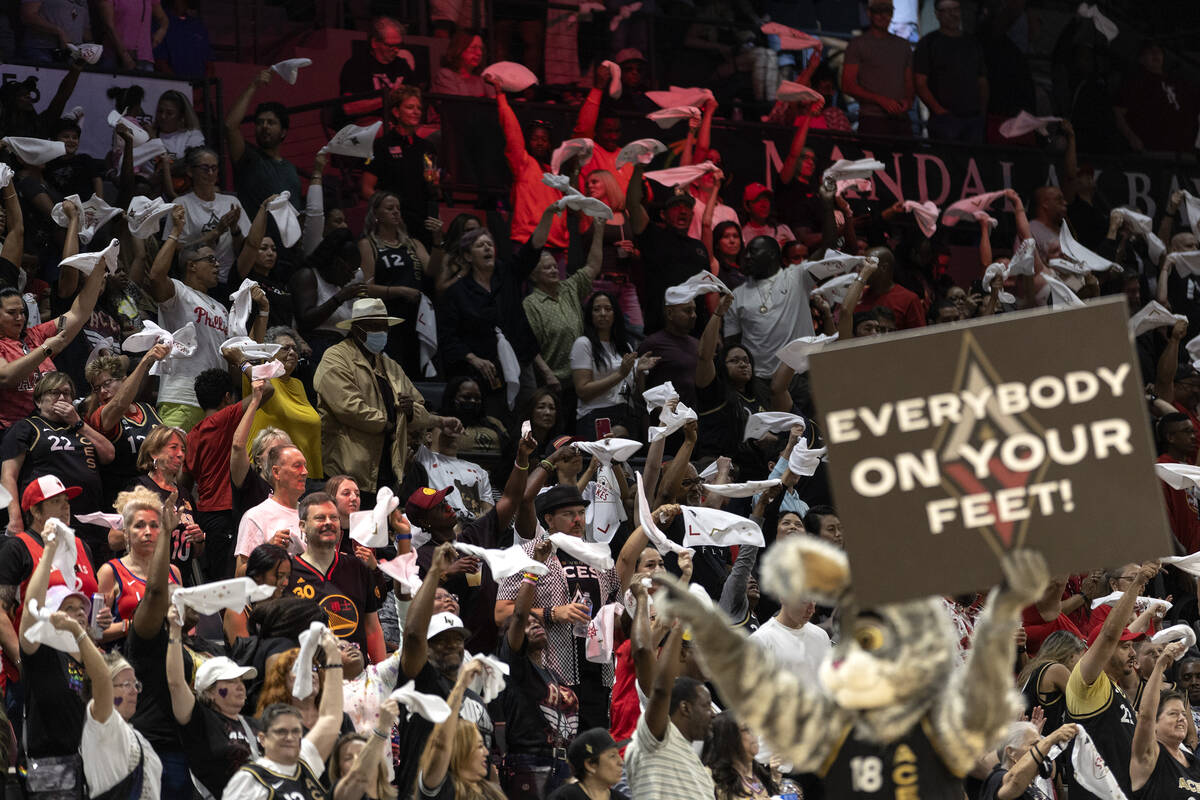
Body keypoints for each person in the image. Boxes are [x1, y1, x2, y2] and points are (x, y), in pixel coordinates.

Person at [495, 484, 621, 731]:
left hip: (598, 674)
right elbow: (501, 613)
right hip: (546, 674)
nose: (577, 520)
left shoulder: (599, 557)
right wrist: (553, 613)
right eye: (568, 514)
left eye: (581, 513)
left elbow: (615, 606)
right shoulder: (525, 554)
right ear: (549, 519)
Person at [314, 298, 462, 499]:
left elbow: (416, 403)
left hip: (388, 467)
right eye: (375, 327)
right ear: (357, 329)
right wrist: (391, 425)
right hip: (348, 467)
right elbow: (349, 408)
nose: (381, 333)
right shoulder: (336, 357)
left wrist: (413, 412)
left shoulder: (388, 364)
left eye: (384, 327)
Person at [148, 206, 268, 430]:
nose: (217, 264)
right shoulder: (179, 291)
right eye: (210, 260)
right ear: (191, 265)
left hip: (216, 404)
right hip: (180, 397)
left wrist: (262, 311)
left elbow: (240, 351)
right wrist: (176, 231)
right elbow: (155, 276)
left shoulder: (223, 308)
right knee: (173, 462)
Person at [395, 543, 495, 799]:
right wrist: (436, 571)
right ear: (425, 648)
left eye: (457, 639)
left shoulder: (474, 698)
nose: (451, 645)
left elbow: (488, 762)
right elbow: (415, 633)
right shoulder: (421, 681)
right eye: (440, 640)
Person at [436, 209, 551, 415]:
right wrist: (473, 359)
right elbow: (448, 337)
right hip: (483, 369)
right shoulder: (457, 292)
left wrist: (548, 214)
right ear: (468, 256)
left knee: (527, 419)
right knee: (495, 419)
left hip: (520, 361)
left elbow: (533, 248)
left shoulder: (508, 274)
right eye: (480, 245)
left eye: (489, 244)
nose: (487, 248)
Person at [0, 210, 105, 432]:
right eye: (12, 313)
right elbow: (6, 377)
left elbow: (79, 312)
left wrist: (100, 267)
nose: (20, 318)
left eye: (22, 312)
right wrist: (47, 349)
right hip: (14, 432)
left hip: (52, 428)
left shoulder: (34, 335)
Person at [1064, 560, 1159, 797]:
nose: (1133, 653)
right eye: (1125, 647)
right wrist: (1136, 585)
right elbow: (1109, 635)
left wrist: (1147, 613)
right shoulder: (1086, 683)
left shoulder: (1113, 689)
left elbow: (1120, 636)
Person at [16, 523, 94, 799]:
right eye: (68, 608)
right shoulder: (42, 654)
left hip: (91, 764)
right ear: (52, 616)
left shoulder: (90, 657)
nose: (79, 613)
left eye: (81, 607)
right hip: (52, 769)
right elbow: (30, 608)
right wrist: (49, 549)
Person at [497, 538, 580, 798]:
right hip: (529, 764)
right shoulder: (516, 667)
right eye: (527, 624)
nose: (535, 625)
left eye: (538, 622)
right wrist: (534, 568)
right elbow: (519, 614)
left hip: (563, 764)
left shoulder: (555, 676)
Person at [1, 373, 115, 559]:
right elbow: (8, 475)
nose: (62, 398)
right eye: (54, 392)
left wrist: (78, 423)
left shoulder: (80, 427)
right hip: (45, 520)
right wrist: (14, 519)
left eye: (67, 393)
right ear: (38, 401)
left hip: (89, 523)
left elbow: (109, 454)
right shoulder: (26, 427)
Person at [223, 630, 345, 799]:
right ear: (262, 738)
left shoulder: (303, 764)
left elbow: (331, 718)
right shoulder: (250, 779)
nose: (290, 737)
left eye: (296, 732)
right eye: (281, 732)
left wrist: (333, 656)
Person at [186, 371, 273, 581]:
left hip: (206, 515)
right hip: (227, 513)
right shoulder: (223, 419)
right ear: (227, 397)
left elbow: (186, 480)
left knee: (217, 581)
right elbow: (267, 389)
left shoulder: (191, 435)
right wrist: (243, 363)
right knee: (233, 582)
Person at [167, 603, 260, 797]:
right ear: (209, 691)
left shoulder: (253, 724)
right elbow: (176, 682)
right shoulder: (199, 720)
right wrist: (175, 629)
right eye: (231, 681)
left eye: (240, 680)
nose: (240, 686)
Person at [286, 491, 386, 663]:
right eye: (320, 518)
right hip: (312, 678)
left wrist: (381, 674)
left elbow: (372, 629)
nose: (328, 523)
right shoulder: (288, 572)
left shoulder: (358, 567)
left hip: (356, 676)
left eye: (334, 518)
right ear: (302, 526)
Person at [623, 621, 715, 799]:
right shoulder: (660, 729)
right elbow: (644, 653)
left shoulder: (701, 773)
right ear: (682, 652)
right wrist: (676, 625)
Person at [723, 236, 818, 383]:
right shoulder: (736, 295)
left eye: (753, 251)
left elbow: (827, 246)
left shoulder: (797, 277)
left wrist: (831, 212)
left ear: (772, 254)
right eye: (746, 252)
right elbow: (732, 344)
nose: (747, 257)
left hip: (800, 376)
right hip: (759, 380)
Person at [359, 190, 434, 375]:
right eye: (390, 208)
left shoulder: (413, 243)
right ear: (376, 214)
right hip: (388, 317)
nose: (396, 212)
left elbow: (432, 271)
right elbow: (366, 287)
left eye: (398, 209)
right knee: (395, 369)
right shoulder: (368, 244)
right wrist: (399, 290)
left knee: (417, 368)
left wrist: (439, 241)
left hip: (417, 316)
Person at [489, 76, 568, 250]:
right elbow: (512, 131)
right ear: (528, 141)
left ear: (549, 144)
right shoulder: (523, 164)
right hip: (527, 243)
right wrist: (501, 96)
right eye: (535, 139)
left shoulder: (554, 174)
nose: (540, 143)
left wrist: (566, 241)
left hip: (557, 247)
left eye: (544, 140)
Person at [96, 486, 182, 644]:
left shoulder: (173, 572)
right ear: (126, 533)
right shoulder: (110, 572)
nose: (148, 531)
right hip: (126, 658)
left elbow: (186, 627)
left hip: (171, 655)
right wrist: (136, 625)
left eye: (155, 525)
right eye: (139, 525)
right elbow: (96, 633)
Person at [524, 223, 604, 394]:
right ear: (533, 275)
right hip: (553, 383)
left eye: (554, 266)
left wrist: (599, 229)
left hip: (582, 378)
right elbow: (529, 347)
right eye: (547, 268)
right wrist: (548, 375)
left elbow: (593, 267)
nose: (554, 270)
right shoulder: (531, 304)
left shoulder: (569, 288)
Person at [86, 345, 168, 503]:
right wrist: (145, 362)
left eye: (107, 383)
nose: (102, 391)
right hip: (123, 502)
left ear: (124, 380)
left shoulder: (148, 409)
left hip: (157, 495)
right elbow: (120, 404)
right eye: (97, 388)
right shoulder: (100, 415)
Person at [572, 291, 657, 438]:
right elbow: (583, 391)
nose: (603, 313)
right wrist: (620, 374)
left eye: (608, 309)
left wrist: (640, 373)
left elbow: (636, 396)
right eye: (597, 309)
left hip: (626, 415)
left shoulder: (625, 347)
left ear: (615, 313)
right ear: (590, 315)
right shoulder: (583, 344)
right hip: (596, 415)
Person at [126, 425, 205, 583]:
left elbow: (196, 552)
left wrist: (199, 539)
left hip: (181, 580)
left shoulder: (185, 494)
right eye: (174, 448)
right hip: (147, 579)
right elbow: (114, 538)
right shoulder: (140, 488)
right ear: (154, 452)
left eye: (183, 449)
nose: (181, 454)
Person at [243, 327, 323, 479]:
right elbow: (252, 347)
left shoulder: (298, 385)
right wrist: (264, 309)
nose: (292, 352)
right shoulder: (261, 379)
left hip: (304, 476)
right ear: (269, 354)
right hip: (268, 475)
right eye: (286, 348)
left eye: (294, 349)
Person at [363, 87, 438, 247]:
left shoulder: (426, 147)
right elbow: (366, 188)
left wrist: (436, 181)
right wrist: (387, 211)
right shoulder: (381, 145)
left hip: (423, 221)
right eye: (410, 107)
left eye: (419, 108)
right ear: (396, 112)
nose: (416, 112)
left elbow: (433, 184)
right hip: (394, 224)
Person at [416, 659, 502, 800]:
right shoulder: (440, 786)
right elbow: (441, 744)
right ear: (460, 749)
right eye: (480, 746)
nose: (486, 751)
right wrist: (461, 685)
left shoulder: (489, 790)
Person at [224, 70, 302, 215]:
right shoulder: (248, 159)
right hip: (258, 237)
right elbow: (230, 126)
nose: (265, 126)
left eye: (271, 122)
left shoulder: (290, 168)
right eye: (260, 122)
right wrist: (253, 86)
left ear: (283, 132)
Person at [173, 146, 251, 286]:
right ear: (190, 171)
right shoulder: (181, 204)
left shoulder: (231, 202)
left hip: (232, 278)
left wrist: (234, 230)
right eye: (205, 168)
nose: (210, 173)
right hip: (199, 281)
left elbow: (245, 250)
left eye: (214, 168)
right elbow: (179, 251)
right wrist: (216, 232)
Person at [1130, 641, 1200, 796]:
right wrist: (1160, 664)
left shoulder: (1194, 763)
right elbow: (1146, 716)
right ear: (1154, 724)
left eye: (1183, 714)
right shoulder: (1148, 755)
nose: (1181, 718)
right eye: (1173, 713)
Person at [914, 0, 988, 144]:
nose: (953, 14)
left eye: (956, 9)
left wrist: (982, 113)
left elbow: (982, 81)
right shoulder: (929, 43)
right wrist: (939, 111)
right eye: (947, 11)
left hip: (973, 118)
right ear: (938, 14)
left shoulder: (972, 43)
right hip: (944, 120)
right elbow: (920, 83)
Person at [841, 0, 914, 137]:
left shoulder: (903, 46)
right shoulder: (858, 44)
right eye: (878, 11)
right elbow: (847, 85)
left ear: (892, 13)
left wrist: (908, 101)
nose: (883, 16)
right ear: (869, 13)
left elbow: (909, 82)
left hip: (900, 118)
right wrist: (881, 100)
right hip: (873, 119)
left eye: (887, 11)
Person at [1114, 40, 1199, 154]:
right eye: (1150, 52)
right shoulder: (1135, 82)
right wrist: (1131, 137)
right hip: (1153, 149)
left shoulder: (1178, 82)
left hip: (1184, 150)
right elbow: (1118, 112)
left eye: (1158, 52)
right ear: (1141, 59)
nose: (1155, 54)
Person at [235, 444, 308, 573]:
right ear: (276, 472)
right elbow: (239, 575)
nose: (305, 472)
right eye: (297, 466)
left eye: (305, 466)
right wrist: (267, 550)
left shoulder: (313, 513)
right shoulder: (255, 516)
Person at [339, 16, 415, 123]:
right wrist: (388, 98)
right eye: (391, 46)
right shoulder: (356, 65)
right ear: (374, 43)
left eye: (399, 45)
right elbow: (348, 108)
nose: (396, 50)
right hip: (367, 125)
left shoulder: (402, 65)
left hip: (400, 123)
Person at [979, 721, 1077, 800]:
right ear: (1011, 752)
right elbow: (1013, 783)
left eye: (1040, 746)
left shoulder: (1032, 784)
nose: (1041, 751)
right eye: (1034, 745)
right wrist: (1049, 740)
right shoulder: (997, 778)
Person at [702, 711, 782, 800]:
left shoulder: (759, 773)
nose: (755, 734)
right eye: (746, 729)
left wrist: (775, 777)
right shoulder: (709, 776)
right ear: (729, 739)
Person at [224, 543, 291, 644]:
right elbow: (246, 655)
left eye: (287, 577)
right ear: (257, 575)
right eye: (279, 576)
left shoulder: (285, 606)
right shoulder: (238, 610)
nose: (285, 583)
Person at [638, 299, 700, 407]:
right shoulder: (652, 344)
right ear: (670, 313)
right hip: (665, 419)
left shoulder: (697, 344)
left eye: (694, 310)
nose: (694, 315)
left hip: (695, 418)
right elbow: (640, 393)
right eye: (688, 311)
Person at [853, 247, 926, 330]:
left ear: (883, 268)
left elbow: (919, 337)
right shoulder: (858, 296)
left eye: (868, 266)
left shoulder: (909, 299)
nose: (862, 271)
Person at [547, 729, 628, 800]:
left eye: (618, 755)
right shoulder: (564, 797)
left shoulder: (620, 798)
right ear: (590, 765)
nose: (621, 762)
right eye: (612, 756)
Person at [98, 0, 168, 70]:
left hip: (143, 59)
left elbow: (163, 19)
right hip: (114, 57)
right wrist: (124, 55)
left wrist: (161, 31)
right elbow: (108, 26)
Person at [151, 89, 205, 166]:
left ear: (181, 115)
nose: (163, 116)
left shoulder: (192, 136)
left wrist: (154, 140)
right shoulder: (147, 133)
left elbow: (189, 166)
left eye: (169, 113)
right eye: (160, 111)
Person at [432, 32, 493, 97]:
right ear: (459, 49)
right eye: (473, 48)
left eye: (481, 48)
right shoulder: (445, 75)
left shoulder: (482, 78)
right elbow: (457, 104)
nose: (479, 53)